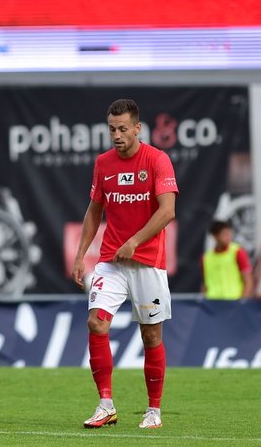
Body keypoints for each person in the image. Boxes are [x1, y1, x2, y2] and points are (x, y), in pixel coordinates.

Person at [71, 98, 177, 431]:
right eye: (111, 129)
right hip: (111, 261)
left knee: (150, 337)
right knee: (96, 324)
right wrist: (80, 254)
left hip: (147, 262)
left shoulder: (158, 160)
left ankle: (154, 410)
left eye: (122, 129)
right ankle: (105, 405)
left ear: (137, 128)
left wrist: (135, 241)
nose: (116, 135)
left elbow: (167, 211)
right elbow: (94, 211)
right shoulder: (103, 163)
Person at [202, 221, 254, 300]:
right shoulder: (206, 258)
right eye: (224, 234)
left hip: (233, 303)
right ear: (215, 236)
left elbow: (248, 281)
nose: (228, 237)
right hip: (212, 304)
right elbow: (205, 284)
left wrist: (242, 302)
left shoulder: (238, 252)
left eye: (229, 234)